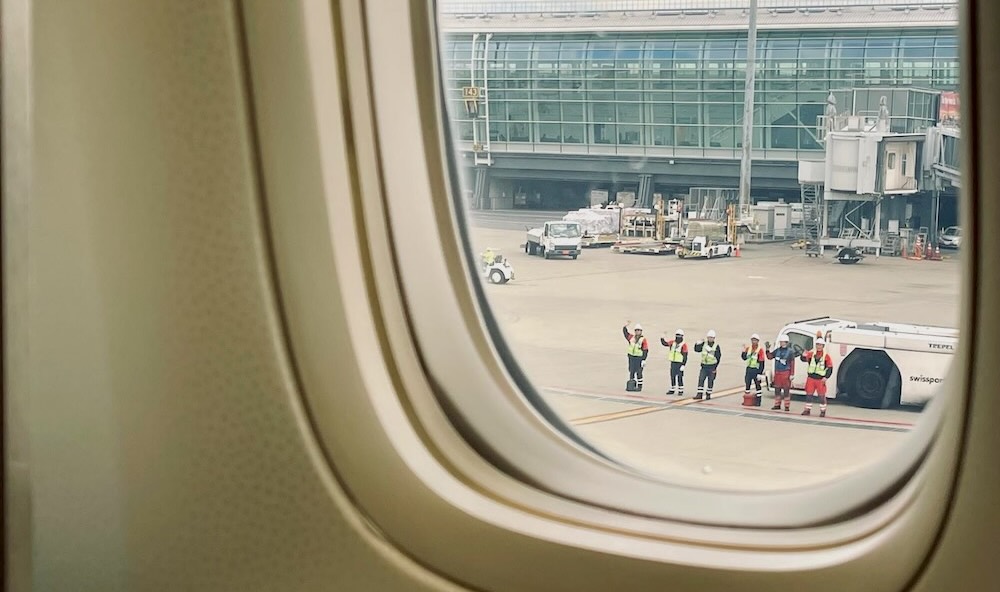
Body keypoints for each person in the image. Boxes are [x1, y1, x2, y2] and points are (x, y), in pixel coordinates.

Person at [800, 337, 834, 417]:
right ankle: (807, 410)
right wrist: (803, 355)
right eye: (817, 345)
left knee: (821, 396)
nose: (819, 346)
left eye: (820, 345)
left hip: (820, 379)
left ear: (823, 346)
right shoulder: (811, 354)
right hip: (811, 378)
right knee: (809, 395)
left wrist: (826, 377)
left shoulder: (826, 356)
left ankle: (823, 411)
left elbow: (830, 368)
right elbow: (803, 359)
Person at [767, 335, 796, 411]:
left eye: (783, 342)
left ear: (786, 342)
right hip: (778, 373)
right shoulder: (777, 351)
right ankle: (777, 404)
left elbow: (792, 363)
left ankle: (787, 406)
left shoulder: (790, 352)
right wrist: (767, 350)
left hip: (785, 373)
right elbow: (769, 357)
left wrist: (792, 374)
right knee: (777, 389)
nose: (781, 343)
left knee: (786, 390)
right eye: (781, 342)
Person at [693, 330, 722, 400]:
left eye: (711, 338)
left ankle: (708, 394)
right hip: (704, 366)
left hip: (712, 367)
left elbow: (718, 357)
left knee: (710, 381)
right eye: (709, 337)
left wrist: (715, 368)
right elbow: (697, 350)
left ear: (714, 338)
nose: (710, 339)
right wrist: (697, 343)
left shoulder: (716, 346)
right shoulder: (704, 344)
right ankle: (699, 394)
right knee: (701, 379)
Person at [660, 329, 689, 395]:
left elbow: (685, 355)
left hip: (680, 363)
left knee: (680, 377)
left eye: (679, 335)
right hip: (673, 362)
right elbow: (665, 343)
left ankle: (680, 390)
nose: (678, 337)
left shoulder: (683, 345)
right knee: (672, 376)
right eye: (677, 335)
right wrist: (662, 338)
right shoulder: (672, 342)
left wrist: (683, 365)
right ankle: (672, 389)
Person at [622, 321, 649, 392]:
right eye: (636, 330)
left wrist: (644, 360)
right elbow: (625, 333)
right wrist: (625, 326)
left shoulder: (643, 340)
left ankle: (639, 387)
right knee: (631, 371)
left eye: (639, 330)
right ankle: (632, 385)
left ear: (641, 331)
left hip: (639, 358)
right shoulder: (631, 337)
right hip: (631, 357)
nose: (637, 332)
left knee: (639, 372)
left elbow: (645, 350)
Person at [741, 333, 766, 407]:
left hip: (756, 370)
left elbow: (762, 362)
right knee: (747, 384)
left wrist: (760, 373)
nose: (753, 342)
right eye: (752, 340)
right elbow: (744, 358)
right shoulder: (748, 349)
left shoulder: (760, 350)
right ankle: (747, 400)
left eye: (755, 340)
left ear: (758, 341)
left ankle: (758, 401)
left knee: (758, 386)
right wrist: (743, 352)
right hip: (749, 369)